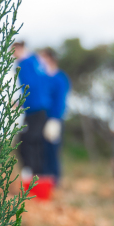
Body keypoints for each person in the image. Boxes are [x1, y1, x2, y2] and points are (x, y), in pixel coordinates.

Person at [12, 40, 49, 177]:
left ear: (19, 48)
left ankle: (31, 174)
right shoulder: (36, 61)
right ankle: (37, 174)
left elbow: (29, 86)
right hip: (40, 108)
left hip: (33, 108)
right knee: (36, 142)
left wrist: (18, 102)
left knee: (26, 141)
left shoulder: (24, 64)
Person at [38, 47, 70, 182]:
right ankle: (44, 183)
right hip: (41, 118)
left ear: (50, 59)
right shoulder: (43, 77)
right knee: (42, 152)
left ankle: (55, 182)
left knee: (52, 151)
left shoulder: (60, 78)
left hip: (54, 119)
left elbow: (60, 101)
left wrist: (55, 119)